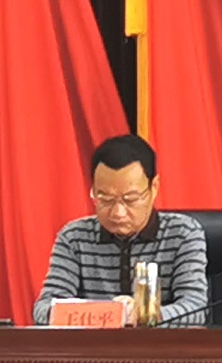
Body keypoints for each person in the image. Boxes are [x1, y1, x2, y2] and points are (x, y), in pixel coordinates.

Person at [35, 133, 210, 327]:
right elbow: (43, 309)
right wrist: (110, 314)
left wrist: (142, 315)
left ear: (154, 188)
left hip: (160, 345)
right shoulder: (74, 238)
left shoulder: (183, 233)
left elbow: (195, 308)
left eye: (130, 199)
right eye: (105, 199)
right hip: (93, 346)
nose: (118, 212)